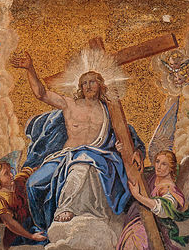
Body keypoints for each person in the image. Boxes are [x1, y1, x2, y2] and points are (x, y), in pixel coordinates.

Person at [10, 52, 143, 232]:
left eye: (92, 81)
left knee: (80, 167)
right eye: (84, 83)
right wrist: (30, 68)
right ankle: (43, 226)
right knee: (33, 183)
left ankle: (66, 207)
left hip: (93, 156)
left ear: (101, 84)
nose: (88, 86)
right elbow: (41, 94)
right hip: (64, 156)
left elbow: (128, 135)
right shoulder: (70, 104)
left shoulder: (109, 110)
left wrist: (136, 151)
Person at [0, 159, 46, 248]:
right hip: (19, 234)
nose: (11, 175)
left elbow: (32, 170)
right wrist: (32, 236)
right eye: (6, 174)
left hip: (34, 222)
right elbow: (9, 222)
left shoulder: (18, 181)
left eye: (10, 171)